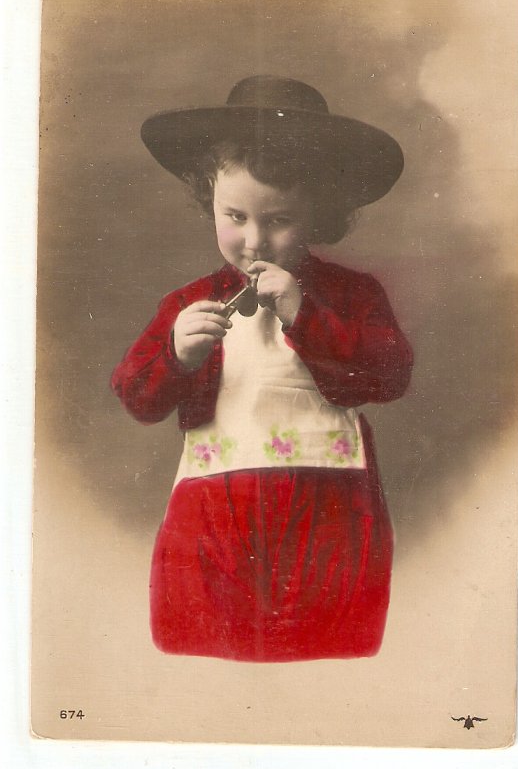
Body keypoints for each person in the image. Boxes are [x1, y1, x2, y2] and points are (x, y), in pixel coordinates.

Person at [111, 75, 413, 662]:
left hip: (330, 507)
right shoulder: (188, 303)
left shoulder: (352, 294)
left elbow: (389, 376)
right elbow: (136, 398)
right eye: (236, 216)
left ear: (321, 213)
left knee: (322, 644)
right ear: (210, 202)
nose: (255, 241)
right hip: (214, 509)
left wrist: (304, 312)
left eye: (279, 220)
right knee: (209, 643)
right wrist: (177, 355)